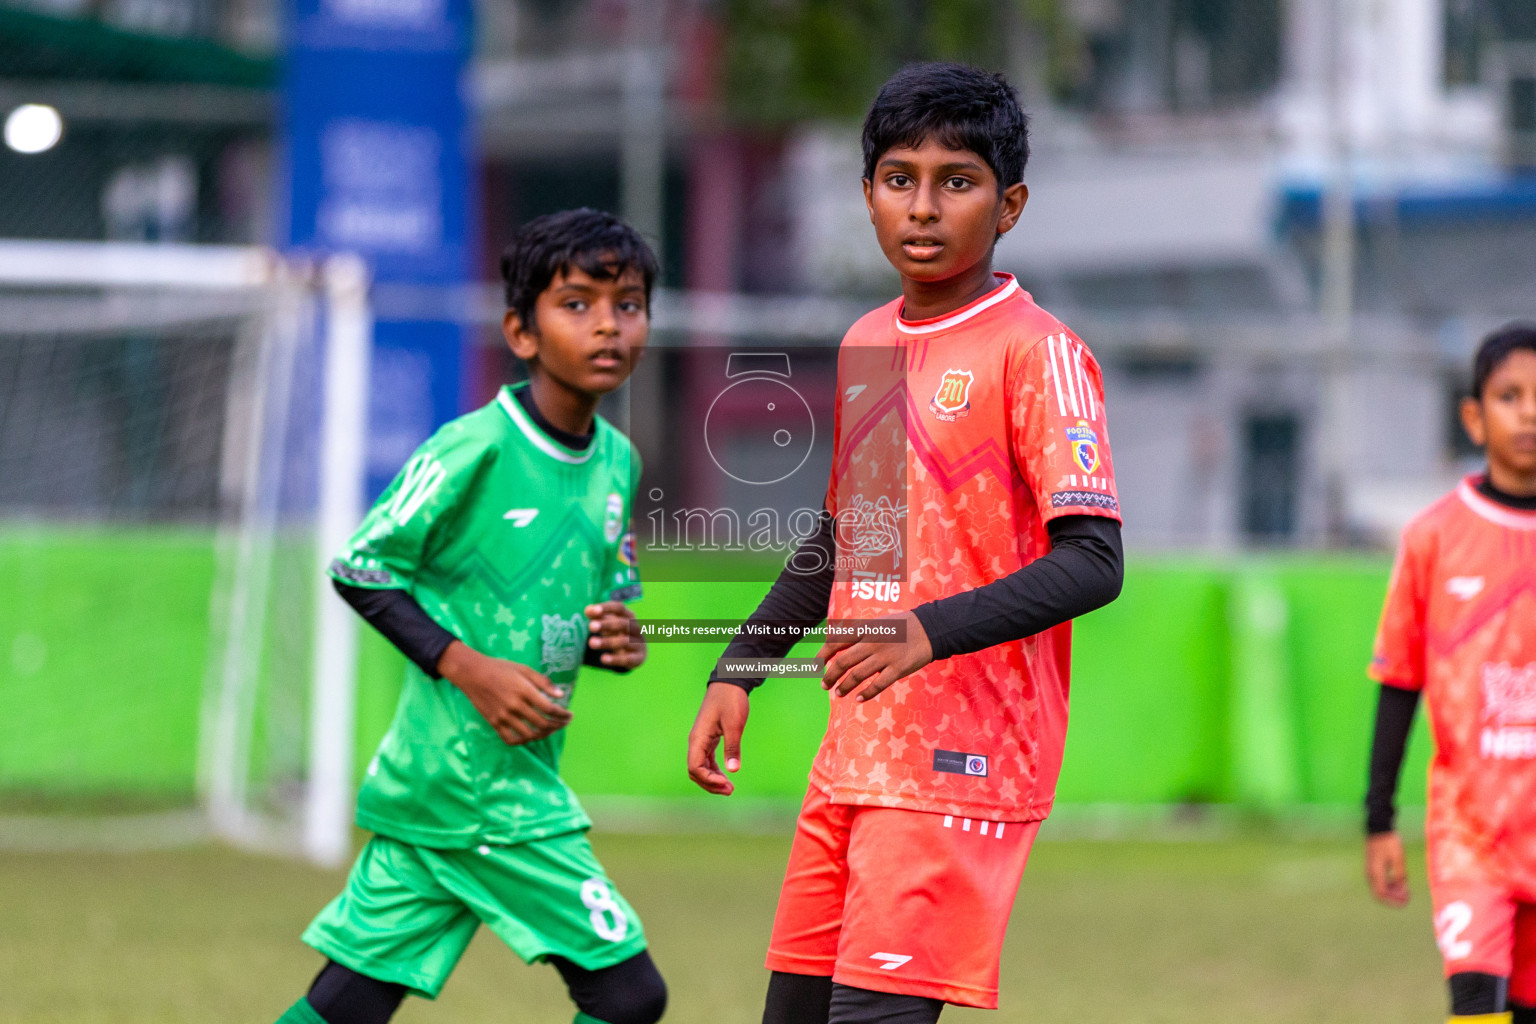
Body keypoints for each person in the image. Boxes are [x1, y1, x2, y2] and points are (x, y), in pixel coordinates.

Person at [686, 62, 1124, 1024]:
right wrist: (739, 667)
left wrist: (925, 629)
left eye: (956, 182)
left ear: (1008, 205)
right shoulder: (870, 344)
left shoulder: (1037, 350)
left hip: (958, 762)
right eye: (899, 179)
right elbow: (852, 537)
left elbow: (1095, 560)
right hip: (854, 757)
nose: (923, 208)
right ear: (868, 195)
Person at [276, 208, 665, 1024]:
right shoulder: (474, 446)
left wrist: (610, 643)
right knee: (628, 995)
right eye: (578, 303)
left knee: (349, 1003)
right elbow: (361, 567)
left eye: (627, 304)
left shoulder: (618, 463)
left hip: (467, 791)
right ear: (520, 333)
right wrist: (469, 668)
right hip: (479, 788)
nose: (607, 325)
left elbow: (579, 616)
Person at [1365, 323, 1536, 1024]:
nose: (1529, 412)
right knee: (1475, 1005)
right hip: (1471, 835)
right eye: (1509, 396)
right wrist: (1378, 820)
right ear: (1474, 416)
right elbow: (1399, 680)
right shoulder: (1434, 536)